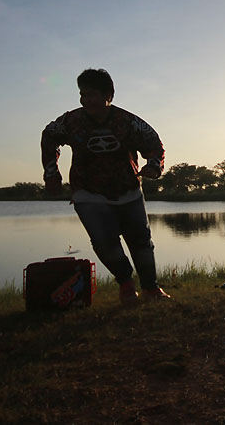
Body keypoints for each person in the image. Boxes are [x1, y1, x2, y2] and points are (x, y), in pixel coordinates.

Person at [41, 68, 170, 304]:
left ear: (108, 96)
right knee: (104, 243)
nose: (86, 100)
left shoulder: (128, 122)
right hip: (87, 193)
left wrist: (153, 166)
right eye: (83, 94)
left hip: (128, 191)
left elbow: (154, 143)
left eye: (92, 94)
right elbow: (49, 136)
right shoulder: (71, 121)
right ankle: (126, 284)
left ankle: (151, 289)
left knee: (141, 242)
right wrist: (51, 174)